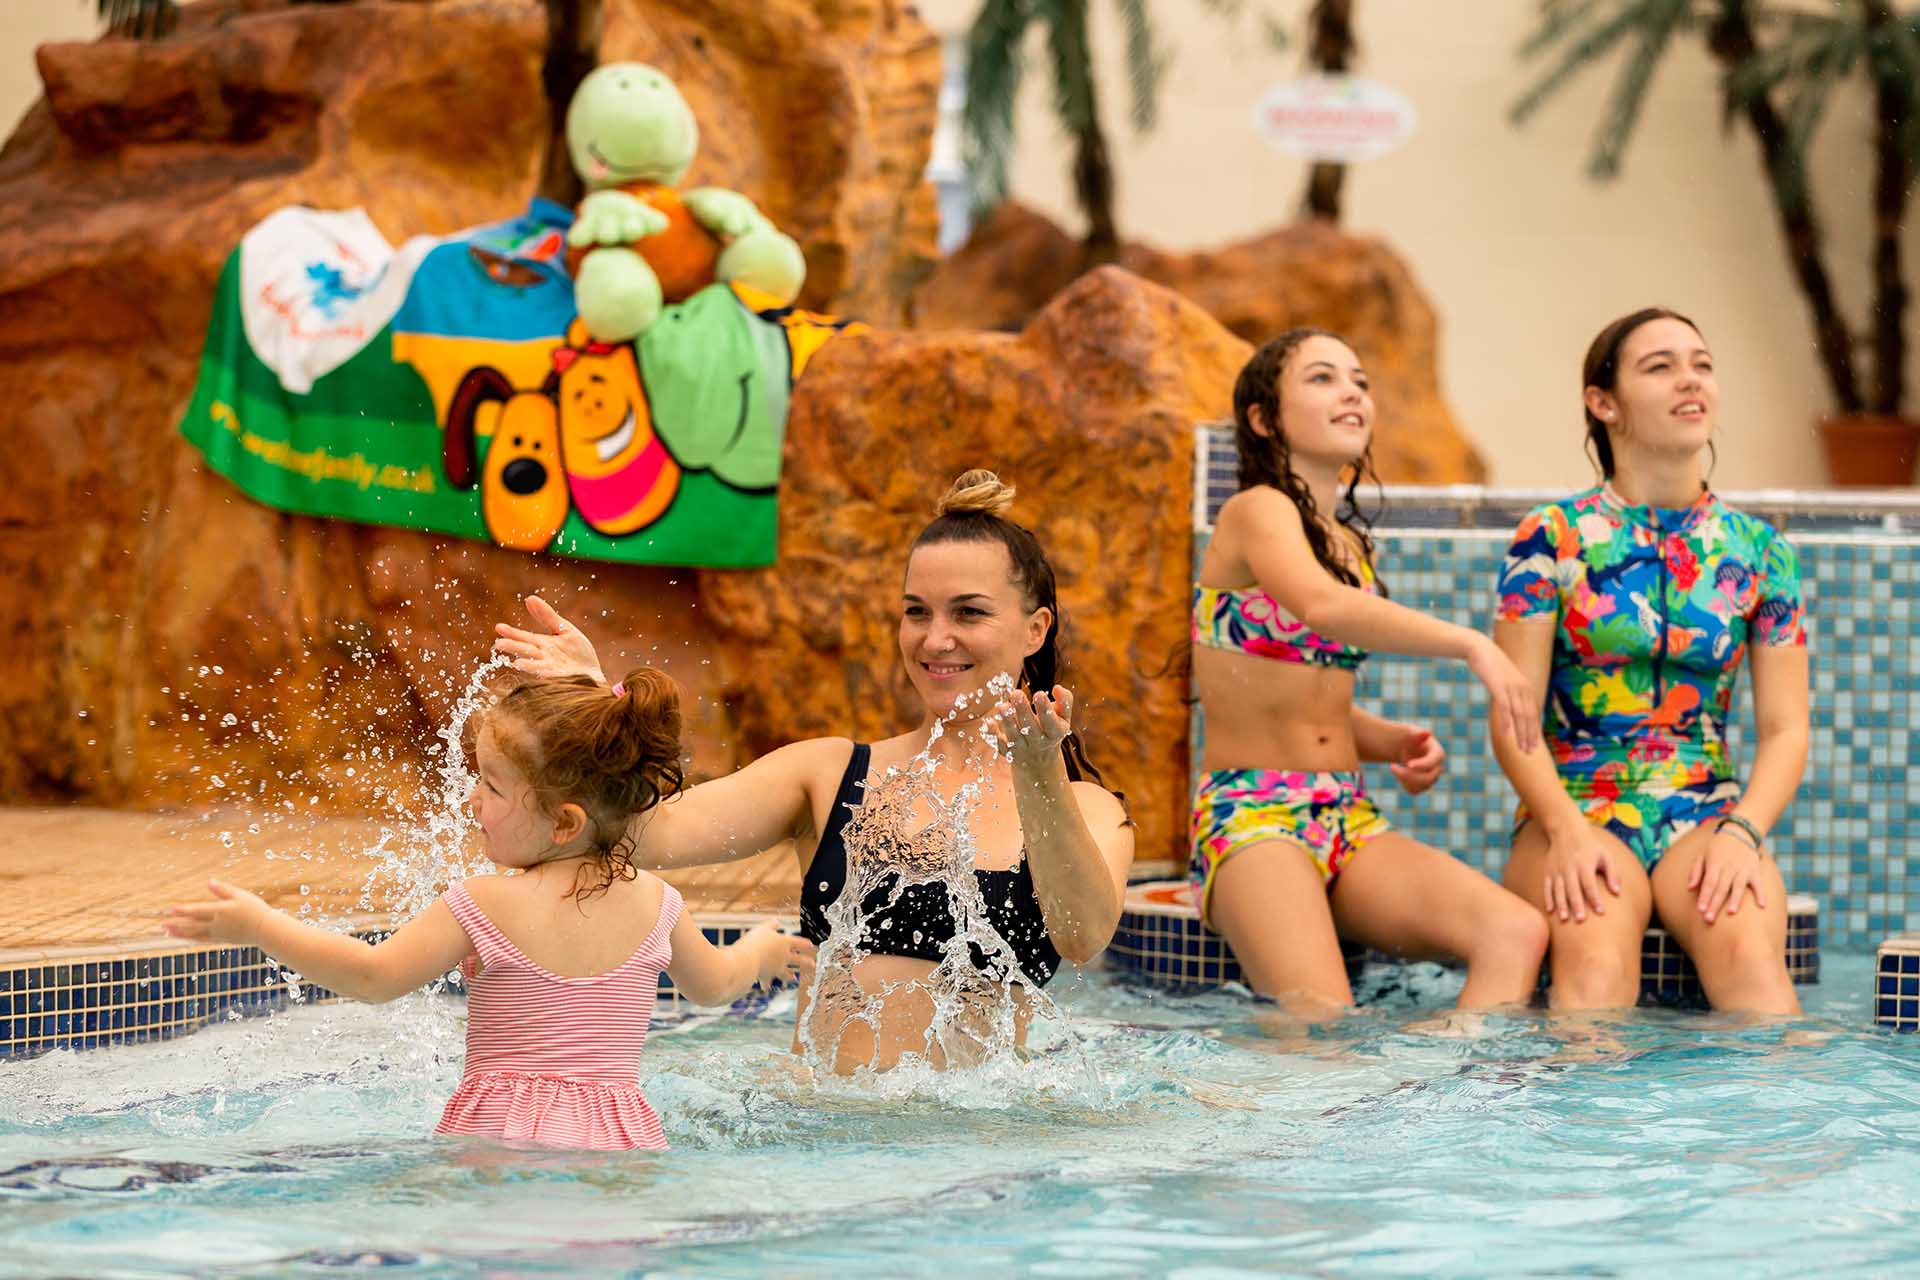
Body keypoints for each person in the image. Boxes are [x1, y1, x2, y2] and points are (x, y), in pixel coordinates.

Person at [493, 470, 1135, 1073]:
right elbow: (641, 835)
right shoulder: (828, 774)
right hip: (821, 1139)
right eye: (917, 611)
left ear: (1034, 630)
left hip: (982, 1156)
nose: (935, 639)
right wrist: (588, 702)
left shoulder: (1088, 809)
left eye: (968, 613)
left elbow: (1081, 938)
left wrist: (1037, 772)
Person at [166, 668, 812, 1150]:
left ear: (563, 822)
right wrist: (758, 950)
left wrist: (260, 927)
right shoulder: (658, 904)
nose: (472, 799)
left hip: (499, 1143)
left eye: (492, 785)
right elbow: (715, 987)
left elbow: (372, 976)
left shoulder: (484, 904)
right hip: (623, 1150)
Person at [1191, 328, 1548, 1011]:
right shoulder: (1254, 511)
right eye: (1323, 378)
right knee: (1323, 1032)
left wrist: (1390, 742)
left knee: (1516, 931)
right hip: (1252, 818)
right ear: (1265, 419)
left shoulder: (1348, 545)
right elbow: (1321, 608)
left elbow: (1294, 695)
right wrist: (1473, 644)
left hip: (1344, 814)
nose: (1352, 390)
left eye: (1359, 379)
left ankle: (1439, 1097)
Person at [1490, 307, 1808, 1014]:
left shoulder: (1762, 552)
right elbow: (1513, 718)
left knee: (1756, 969)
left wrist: (1742, 831)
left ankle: (1772, 1129)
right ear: (1603, 404)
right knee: (1596, 971)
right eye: (1659, 366)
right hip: (1570, 807)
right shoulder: (1550, 538)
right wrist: (1566, 832)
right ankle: (1576, 1129)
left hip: (1704, 813)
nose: (1689, 379)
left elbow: (1787, 730)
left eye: (1701, 362)